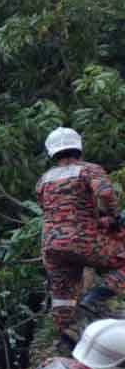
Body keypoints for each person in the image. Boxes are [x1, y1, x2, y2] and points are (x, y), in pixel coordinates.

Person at [36, 127, 125, 351]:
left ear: (51, 152)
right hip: (82, 240)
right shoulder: (88, 169)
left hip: (51, 246)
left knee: (62, 294)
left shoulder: (44, 180)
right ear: (78, 148)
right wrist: (113, 217)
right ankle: (95, 297)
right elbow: (105, 193)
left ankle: (66, 338)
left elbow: (52, 211)